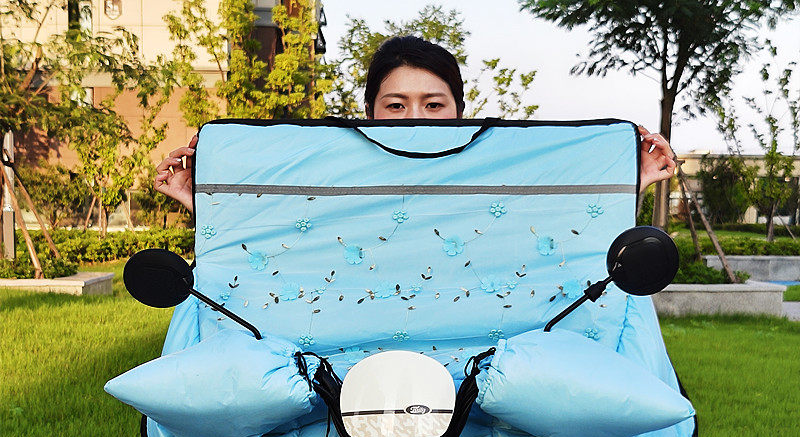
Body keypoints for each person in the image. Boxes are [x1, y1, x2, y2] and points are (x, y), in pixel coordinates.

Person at [155, 36, 675, 213]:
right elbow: (283, 230)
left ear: (460, 112)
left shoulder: (492, 169)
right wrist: (202, 199)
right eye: (396, 105)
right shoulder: (336, 171)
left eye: (433, 104)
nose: (416, 119)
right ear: (369, 113)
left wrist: (631, 179)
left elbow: (549, 223)